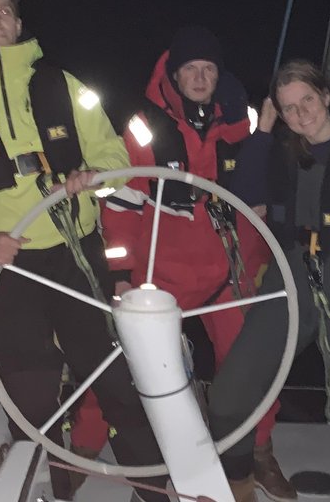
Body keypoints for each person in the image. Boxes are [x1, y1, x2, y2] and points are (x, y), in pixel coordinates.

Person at [0, 0, 168, 501]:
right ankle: (56, 486)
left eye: (3, 11)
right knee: (29, 390)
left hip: (77, 256)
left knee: (114, 376)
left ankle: (155, 488)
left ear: (19, 21)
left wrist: (95, 175)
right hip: (3, 265)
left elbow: (113, 152)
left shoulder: (67, 87)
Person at [95, 26, 289, 500]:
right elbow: (121, 204)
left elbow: (265, 184)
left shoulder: (243, 120)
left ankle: (258, 452)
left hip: (228, 272)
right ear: (174, 76)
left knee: (251, 366)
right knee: (130, 364)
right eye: (191, 69)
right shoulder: (143, 125)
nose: (201, 78)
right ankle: (83, 446)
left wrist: (258, 253)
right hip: (160, 277)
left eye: (209, 69)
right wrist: (120, 276)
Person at [207, 60, 330, 501]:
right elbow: (242, 194)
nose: (301, 113)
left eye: (307, 100)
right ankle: (240, 484)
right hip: (290, 277)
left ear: (326, 96)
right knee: (228, 395)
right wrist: (264, 130)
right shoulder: (281, 152)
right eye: (289, 107)